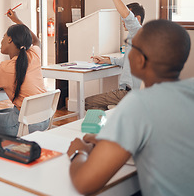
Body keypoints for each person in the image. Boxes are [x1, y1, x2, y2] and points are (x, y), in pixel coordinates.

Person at [67, 20, 193, 195]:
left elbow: (84, 182)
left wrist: (78, 152)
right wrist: (112, 141)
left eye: (130, 46)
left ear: (140, 60)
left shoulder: (140, 104)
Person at [0, 10, 46, 137]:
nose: (1, 41)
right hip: (44, 119)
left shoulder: (4, 68)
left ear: (10, 40)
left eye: (3, 37)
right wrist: (17, 20)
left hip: (23, 124)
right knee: (3, 111)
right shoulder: (34, 54)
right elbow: (36, 41)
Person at [85, 0, 145, 111]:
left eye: (125, 18)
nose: (122, 21)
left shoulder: (138, 32)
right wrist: (107, 60)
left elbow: (127, 16)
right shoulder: (136, 38)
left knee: (89, 103)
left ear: (138, 19)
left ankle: (106, 127)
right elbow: (127, 61)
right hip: (129, 92)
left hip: (128, 94)